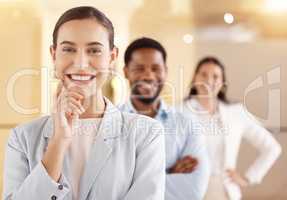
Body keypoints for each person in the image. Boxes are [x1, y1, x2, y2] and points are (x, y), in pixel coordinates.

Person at [3, 7, 166, 200]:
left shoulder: (146, 134)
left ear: (112, 57)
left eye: (94, 50)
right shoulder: (22, 138)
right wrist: (59, 141)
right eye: (69, 49)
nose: (81, 62)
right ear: (54, 55)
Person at [119, 37, 210, 200]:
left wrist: (131, 182)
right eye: (139, 68)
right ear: (126, 72)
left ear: (165, 71)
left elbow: (193, 190)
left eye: (156, 68)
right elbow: (104, 189)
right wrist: (168, 173)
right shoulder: (110, 122)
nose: (148, 75)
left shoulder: (187, 124)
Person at [179, 56, 282, 200]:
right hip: (187, 189)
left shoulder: (236, 112)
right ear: (194, 78)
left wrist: (249, 178)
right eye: (203, 74)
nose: (209, 80)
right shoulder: (178, 112)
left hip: (223, 190)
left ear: (222, 83)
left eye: (215, 76)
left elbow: (272, 147)